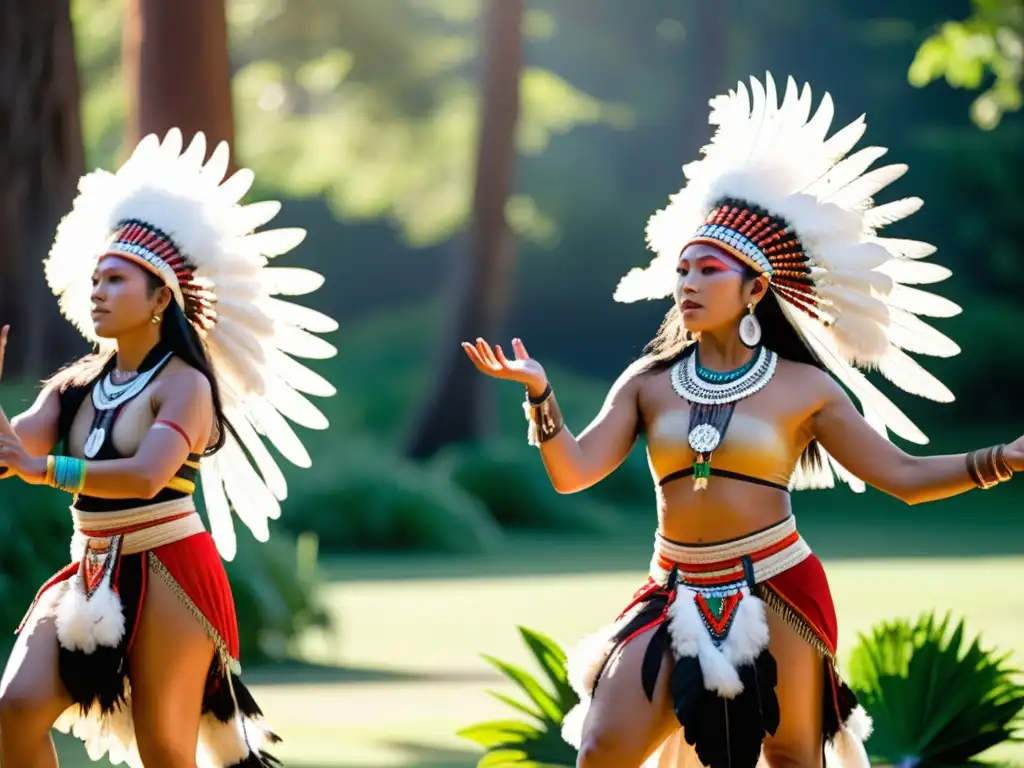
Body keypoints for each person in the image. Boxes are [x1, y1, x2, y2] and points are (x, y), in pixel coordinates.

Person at [462, 73, 1023, 768]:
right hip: (672, 588)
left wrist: (1006, 457)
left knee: (790, 757)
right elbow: (574, 474)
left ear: (755, 287)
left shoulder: (804, 389)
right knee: (603, 747)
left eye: (708, 271)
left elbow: (903, 478)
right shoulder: (649, 382)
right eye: (682, 270)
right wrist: (540, 397)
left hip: (778, 585)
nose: (688, 284)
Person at [0, 129, 337, 767]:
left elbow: (148, 475)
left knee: (164, 751)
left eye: (117, 280)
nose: (98, 290)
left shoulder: (185, 386)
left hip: (169, 567)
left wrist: (42, 470)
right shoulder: (74, 385)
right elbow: (9, 447)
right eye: (95, 279)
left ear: (161, 298)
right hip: (91, 564)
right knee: (14, 707)